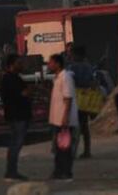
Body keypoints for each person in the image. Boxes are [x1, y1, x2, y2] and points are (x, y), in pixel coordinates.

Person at [47, 52, 78, 181]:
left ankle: (66, 172)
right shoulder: (58, 78)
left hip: (64, 120)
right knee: (59, 148)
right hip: (57, 119)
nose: (49, 65)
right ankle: (58, 172)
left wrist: (65, 117)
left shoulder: (65, 77)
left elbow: (68, 98)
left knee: (65, 147)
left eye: (51, 62)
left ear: (57, 64)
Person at [0, 54, 31, 181]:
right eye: (18, 63)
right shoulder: (10, 79)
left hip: (17, 115)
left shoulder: (14, 78)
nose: (21, 65)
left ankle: (11, 171)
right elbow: (20, 94)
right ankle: (11, 171)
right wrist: (26, 92)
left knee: (15, 144)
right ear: (12, 65)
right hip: (17, 116)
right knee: (16, 144)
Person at [68, 45, 97, 158]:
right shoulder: (88, 67)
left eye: (71, 53)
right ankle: (87, 150)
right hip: (85, 98)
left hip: (75, 98)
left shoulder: (71, 68)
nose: (70, 55)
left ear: (76, 55)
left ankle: (72, 151)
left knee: (73, 127)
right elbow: (93, 82)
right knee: (84, 126)